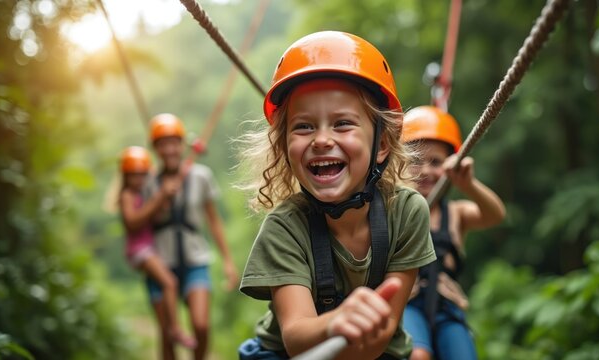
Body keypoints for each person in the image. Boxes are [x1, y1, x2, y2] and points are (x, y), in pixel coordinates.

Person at [236, 31, 436, 360]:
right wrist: (335, 323)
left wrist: (354, 325)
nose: (322, 140)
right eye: (303, 126)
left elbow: (378, 340)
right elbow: (297, 337)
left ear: (382, 144)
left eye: (342, 123)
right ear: (284, 146)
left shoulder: (407, 212)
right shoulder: (284, 228)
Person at [400, 106, 506, 360]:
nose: (426, 170)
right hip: (407, 302)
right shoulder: (396, 209)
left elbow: (495, 214)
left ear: (449, 165)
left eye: (435, 162)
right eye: (416, 161)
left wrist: (467, 184)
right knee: (418, 355)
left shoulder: (456, 213)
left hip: (446, 305)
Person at [144, 113, 239, 360]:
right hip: (161, 263)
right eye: (163, 144)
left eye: (174, 143)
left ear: (182, 145)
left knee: (201, 325)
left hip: (195, 259)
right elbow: (139, 223)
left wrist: (228, 261)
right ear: (156, 149)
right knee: (167, 333)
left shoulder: (200, 176)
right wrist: (160, 198)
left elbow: (213, 221)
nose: (169, 149)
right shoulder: (148, 183)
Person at [118, 146, 196, 350]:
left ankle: (172, 328)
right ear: (125, 176)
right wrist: (160, 196)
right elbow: (132, 222)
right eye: (133, 175)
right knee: (170, 282)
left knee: (167, 285)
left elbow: (156, 217)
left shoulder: (145, 193)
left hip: (150, 248)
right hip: (140, 250)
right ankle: (176, 328)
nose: (138, 179)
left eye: (142, 175)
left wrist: (164, 200)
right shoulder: (127, 195)